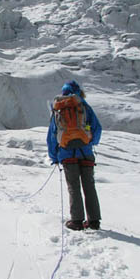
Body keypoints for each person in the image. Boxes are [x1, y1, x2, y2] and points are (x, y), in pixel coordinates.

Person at [47, 80, 102, 230]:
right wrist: (90, 142)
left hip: (67, 153)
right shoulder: (84, 107)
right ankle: (94, 221)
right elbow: (97, 128)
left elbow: (52, 136)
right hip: (86, 152)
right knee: (89, 186)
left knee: (74, 187)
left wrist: (54, 156)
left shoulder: (58, 108)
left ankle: (77, 221)